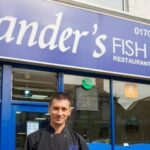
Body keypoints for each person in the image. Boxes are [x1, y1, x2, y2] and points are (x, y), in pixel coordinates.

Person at [23, 93, 89, 150]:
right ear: (49, 109)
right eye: (56, 108)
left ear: (69, 112)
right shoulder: (33, 139)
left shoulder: (78, 141)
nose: (59, 113)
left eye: (64, 109)